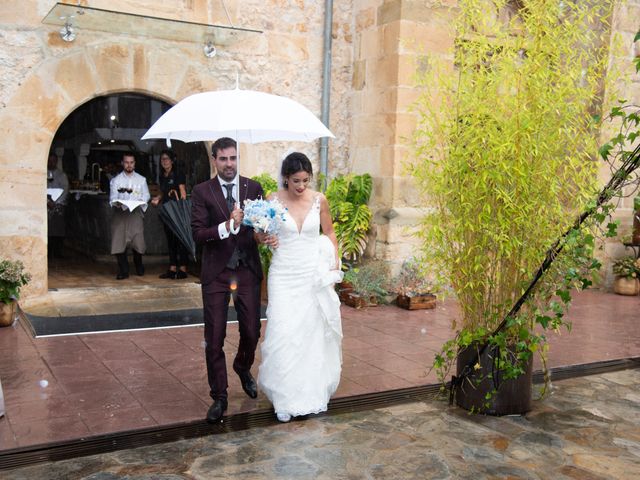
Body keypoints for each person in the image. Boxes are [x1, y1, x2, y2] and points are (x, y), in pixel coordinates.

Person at [258, 152, 343, 423]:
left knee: (309, 333)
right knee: (284, 331)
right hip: (282, 273)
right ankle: (284, 398)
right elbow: (258, 234)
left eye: (306, 180)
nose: (301, 186)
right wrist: (264, 237)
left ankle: (309, 393)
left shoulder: (320, 200)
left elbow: (329, 232)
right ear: (285, 178)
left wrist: (334, 263)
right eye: (296, 181)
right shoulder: (273, 199)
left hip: (310, 274)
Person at [191, 137, 267, 424]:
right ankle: (219, 396)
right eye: (223, 159)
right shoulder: (202, 191)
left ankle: (242, 366)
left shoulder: (253, 188)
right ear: (214, 160)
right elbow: (198, 234)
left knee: (252, 331)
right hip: (217, 272)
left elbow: (259, 227)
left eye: (233, 158)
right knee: (214, 338)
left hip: (246, 269)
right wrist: (228, 225)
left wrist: (262, 234)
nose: (229, 164)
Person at [109, 152, 150, 280]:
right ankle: (123, 270)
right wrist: (117, 203)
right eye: (126, 162)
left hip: (136, 213)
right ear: (122, 163)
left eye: (131, 162)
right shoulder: (116, 180)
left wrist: (140, 201)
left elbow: (146, 195)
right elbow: (113, 197)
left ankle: (139, 265)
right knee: (119, 240)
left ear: (134, 163)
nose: (129, 165)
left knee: (138, 241)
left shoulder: (141, 179)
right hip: (120, 213)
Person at [151, 149, 189, 279]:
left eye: (167, 159)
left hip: (177, 212)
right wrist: (158, 198)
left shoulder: (178, 174)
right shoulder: (162, 175)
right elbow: (163, 191)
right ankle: (172, 268)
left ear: (172, 160)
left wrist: (181, 209)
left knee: (180, 240)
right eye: (162, 159)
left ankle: (183, 268)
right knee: (170, 240)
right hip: (167, 211)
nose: (164, 162)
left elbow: (182, 192)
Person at [46, 153, 69, 258]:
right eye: (49, 161)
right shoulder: (42, 173)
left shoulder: (61, 175)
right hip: (45, 204)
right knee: (48, 229)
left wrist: (55, 202)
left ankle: (58, 252)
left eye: (53, 161)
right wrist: (47, 201)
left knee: (58, 229)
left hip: (58, 205)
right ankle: (48, 252)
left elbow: (65, 190)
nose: (51, 163)